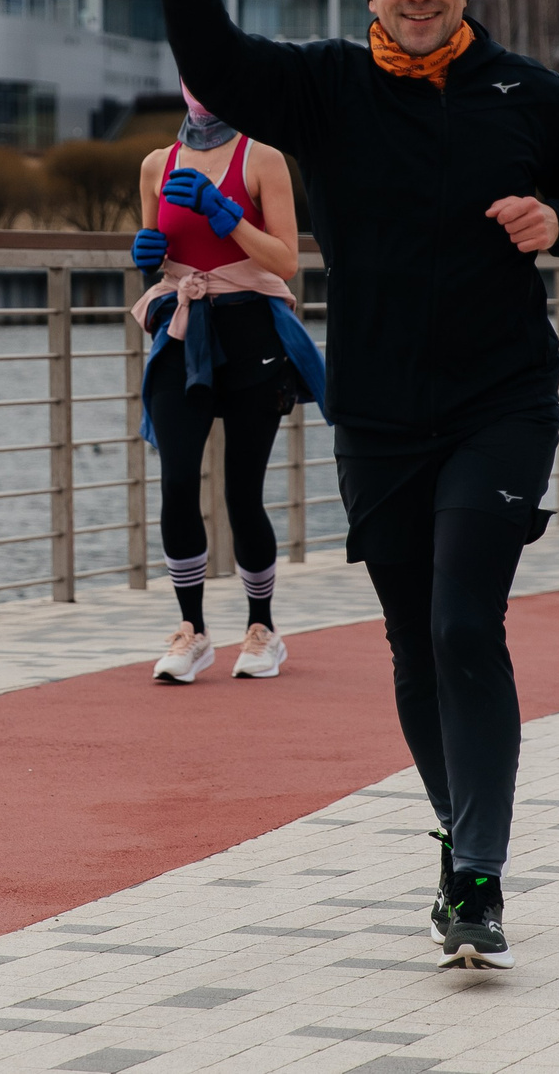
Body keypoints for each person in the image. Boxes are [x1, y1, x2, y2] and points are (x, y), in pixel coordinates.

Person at [140, 0, 559, 972]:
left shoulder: (527, 94)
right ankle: (460, 839)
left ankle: (480, 871)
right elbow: (224, 68)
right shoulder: (326, 88)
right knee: (413, 638)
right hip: (377, 409)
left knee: (464, 624)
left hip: (500, 398)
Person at [130, 85, 327, 683]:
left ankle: (262, 629)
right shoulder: (155, 165)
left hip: (251, 336)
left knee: (243, 491)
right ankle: (192, 632)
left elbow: (287, 261)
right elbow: (158, 254)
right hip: (184, 332)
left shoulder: (262, 158)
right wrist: (144, 257)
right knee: (177, 480)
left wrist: (225, 214)